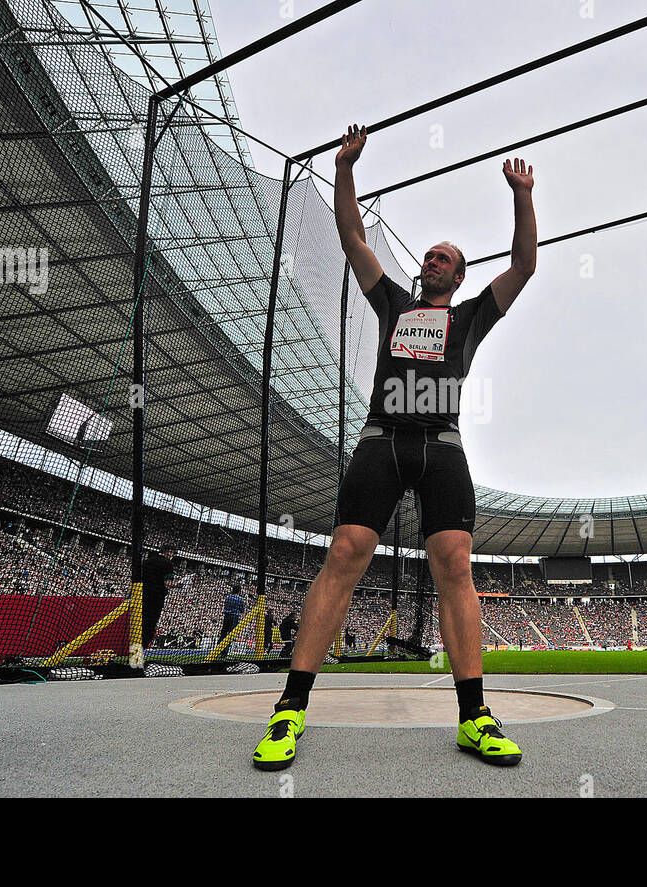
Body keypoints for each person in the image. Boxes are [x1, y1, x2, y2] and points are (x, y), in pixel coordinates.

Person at [253, 123, 536, 770]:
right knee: (346, 552)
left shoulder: (470, 318)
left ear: (459, 277)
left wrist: (522, 195)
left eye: (445, 258)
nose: (432, 260)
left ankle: (474, 716)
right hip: (382, 439)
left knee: (455, 562)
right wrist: (345, 167)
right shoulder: (394, 303)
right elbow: (352, 235)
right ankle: (290, 708)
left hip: (443, 446)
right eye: (430, 254)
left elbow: (524, 265)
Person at [139, 544, 176, 658]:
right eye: (172, 553)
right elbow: (168, 584)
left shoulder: (147, 561)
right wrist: (178, 584)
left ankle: (132, 651)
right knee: (149, 625)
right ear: (168, 552)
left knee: (139, 623)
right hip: (156, 597)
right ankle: (140, 652)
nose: (173, 556)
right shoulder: (168, 564)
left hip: (142, 595)